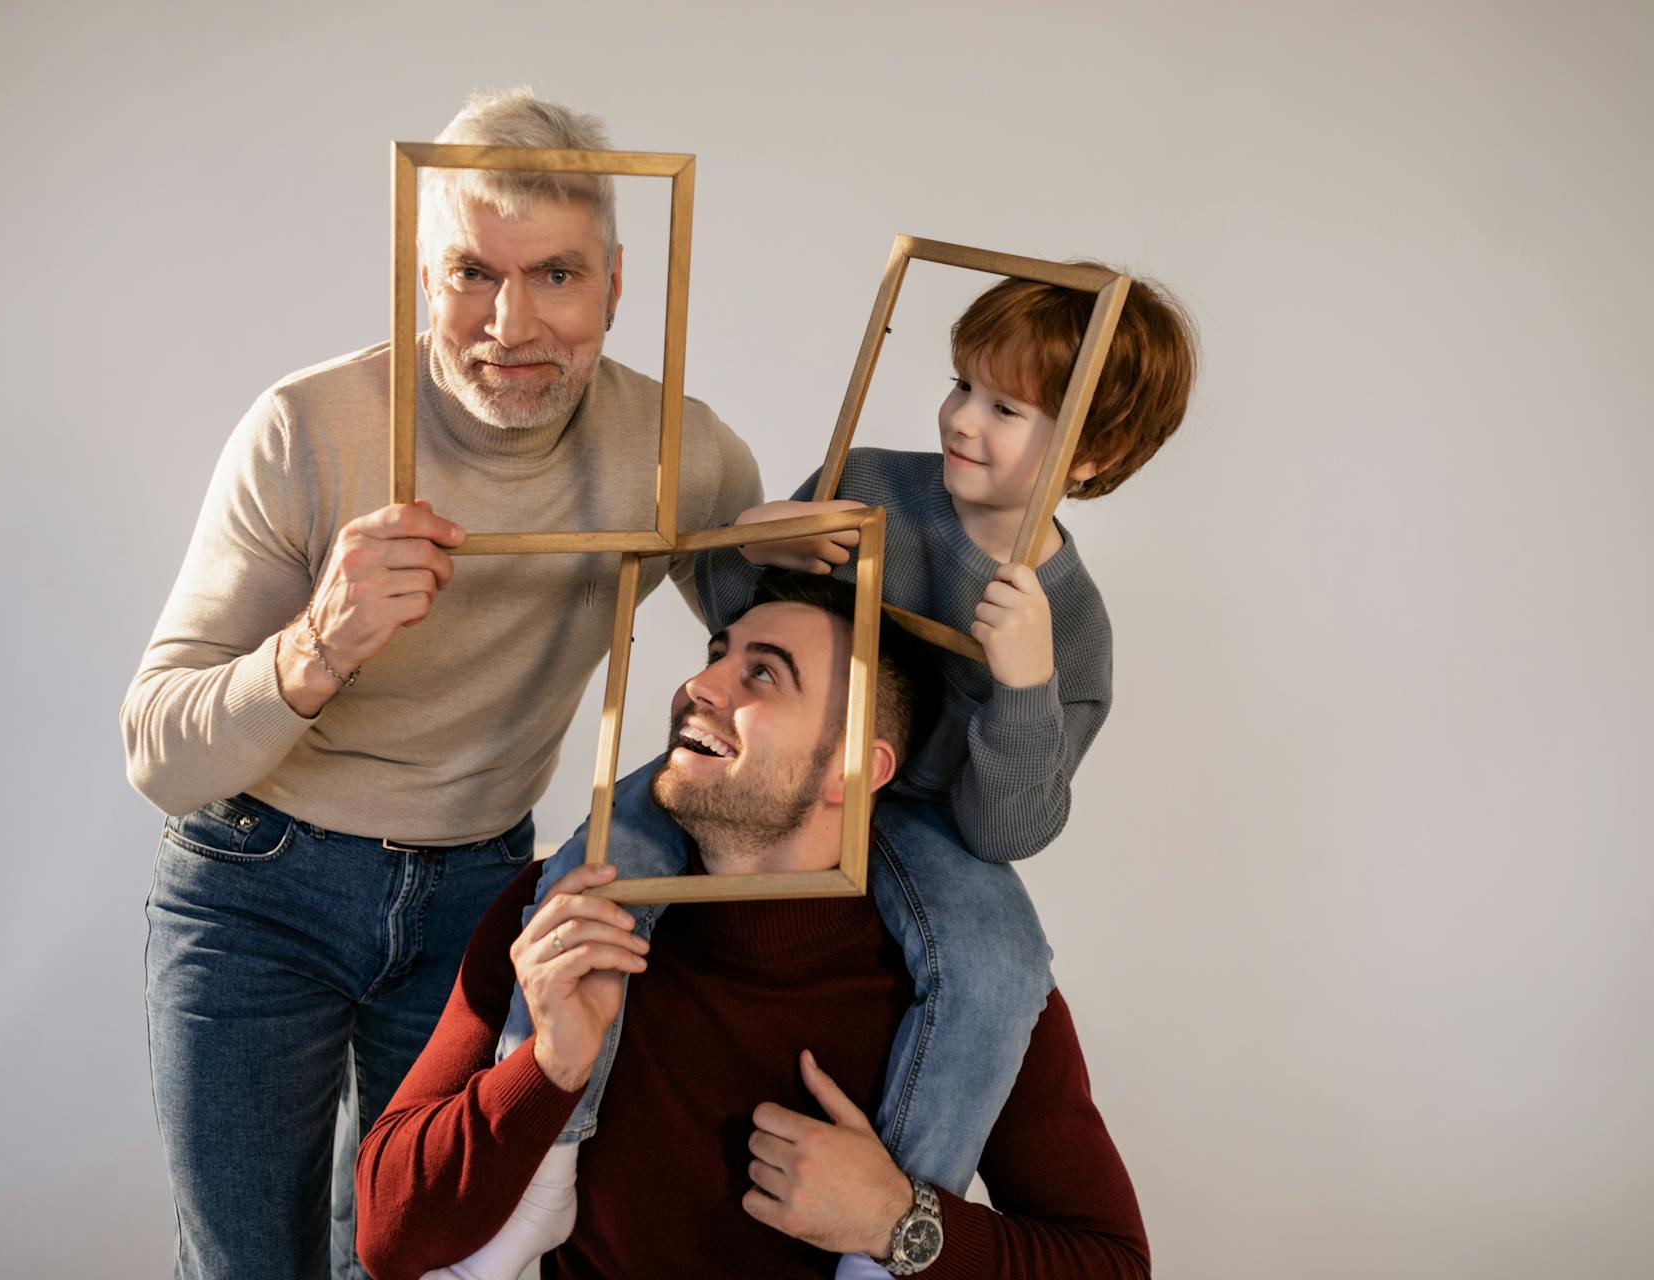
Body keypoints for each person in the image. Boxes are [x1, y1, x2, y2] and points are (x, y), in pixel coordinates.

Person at [121, 87, 761, 1280]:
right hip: (257, 888)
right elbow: (157, 754)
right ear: (425, 280)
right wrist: (318, 643)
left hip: (479, 891)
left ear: (616, 284)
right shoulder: (307, 428)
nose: (510, 322)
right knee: (245, 1267)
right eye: (473, 272)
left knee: (429, 1263)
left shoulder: (682, 453)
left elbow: (780, 654)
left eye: (556, 276)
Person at [456, 267, 1197, 1277]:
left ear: (1092, 454)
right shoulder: (879, 481)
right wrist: (763, 541)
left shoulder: (1073, 625)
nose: (962, 418)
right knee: (600, 852)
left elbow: (1005, 829)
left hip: (931, 819)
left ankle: (885, 1229)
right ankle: (545, 1156)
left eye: (1006, 407)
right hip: (782, 775)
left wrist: (1024, 687)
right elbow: (745, 629)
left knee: (1000, 957)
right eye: (961, 384)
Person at [357, 572, 1150, 1279]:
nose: (699, 685)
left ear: (856, 769)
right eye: (716, 654)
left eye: (763, 674)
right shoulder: (571, 906)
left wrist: (897, 1225)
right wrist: (548, 1068)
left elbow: (1113, 1261)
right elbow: (386, 1235)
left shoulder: (970, 983)